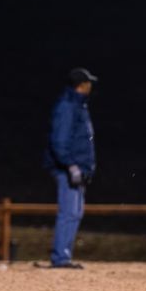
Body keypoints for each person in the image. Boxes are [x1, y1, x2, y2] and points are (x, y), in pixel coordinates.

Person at [41, 67, 98, 269]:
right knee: (69, 212)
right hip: (69, 169)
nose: (91, 85)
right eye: (88, 82)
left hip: (77, 168)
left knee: (74, 212)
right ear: (81, 85)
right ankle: (61, 257)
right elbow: (60, 140)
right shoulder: (68, 106)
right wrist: (71, 165)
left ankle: (63, 255)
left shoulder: (76, 105)